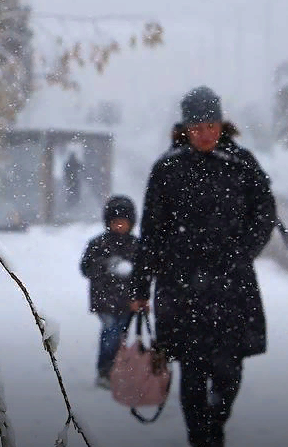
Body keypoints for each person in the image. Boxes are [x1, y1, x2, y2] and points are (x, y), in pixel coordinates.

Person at [130, 86, 276, 447]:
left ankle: (216, 422)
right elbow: (150, 232)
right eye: (197, 127)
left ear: (222, 123)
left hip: (232, 284)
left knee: (229, 368)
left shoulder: (242, 164)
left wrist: (243, 251)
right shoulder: (167, 169)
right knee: (192, 368)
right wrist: (139, 286)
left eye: (211, 124)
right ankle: (201, 436)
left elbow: (265, 213)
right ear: (184, 128)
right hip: (181, 287)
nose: (205, 133)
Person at [80, 195, 139, 389]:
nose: (120, 226)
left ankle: (115, 368)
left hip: (127, 301)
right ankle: (105, 370)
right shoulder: (98, 244)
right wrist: (108, 267)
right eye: (116, 222)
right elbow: (86, 268)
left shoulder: (136, 246)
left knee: (119, 335)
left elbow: (145, 272)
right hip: (104, 300)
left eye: (124, 222)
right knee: (110, 333)